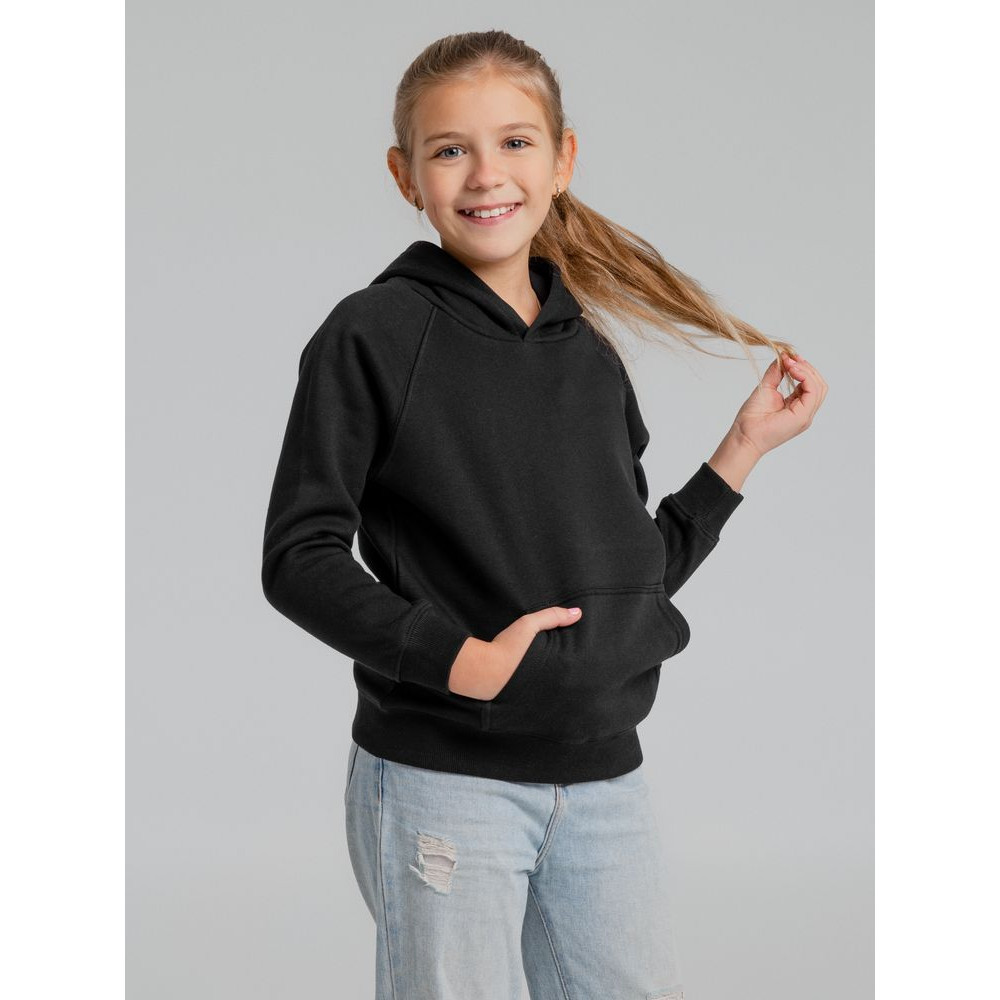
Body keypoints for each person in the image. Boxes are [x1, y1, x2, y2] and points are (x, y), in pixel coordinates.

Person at [261, 28, 827, 1000]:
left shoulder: (589, 355)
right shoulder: (373, 334)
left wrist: (740, 450)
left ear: (562, 160)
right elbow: (298, 556)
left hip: (605, 783)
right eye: (451, 149)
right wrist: (462, 662)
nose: (486, 174)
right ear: (405, 175)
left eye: (515, 142)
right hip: (447, 782)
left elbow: (627, 579)